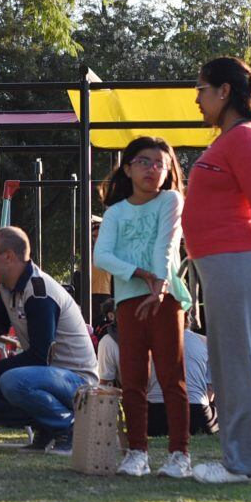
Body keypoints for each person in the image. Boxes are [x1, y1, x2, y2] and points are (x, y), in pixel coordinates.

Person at [181, 56, 251, 485]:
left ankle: (243, 465)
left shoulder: (244, 137)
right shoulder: (233, 137)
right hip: (225, 263)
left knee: (239, 366)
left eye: (202, 88)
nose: (197, 98)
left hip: (237, 261)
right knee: (233, 364)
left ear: (224, 91)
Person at [93, 136, 194, 478]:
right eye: (144, 162)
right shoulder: (115, 212)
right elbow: (101, 255)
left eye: (160, 164)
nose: (153, 169)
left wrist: (159, 283)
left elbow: (165, 246)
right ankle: (137, 452)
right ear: (127, 168)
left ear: (169, 172)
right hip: (129, 301)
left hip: (165, 299)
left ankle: (179, 454)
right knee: (132, 378)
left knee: (171, 377)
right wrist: (139, 275)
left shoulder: (171, 200)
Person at [0, 226, 99, 455]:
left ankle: (68, 428)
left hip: (77, 381)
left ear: (8, 257)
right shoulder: (7, 286)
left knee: (13, 380)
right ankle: (46, 426)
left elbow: (40, 357)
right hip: (43, 376)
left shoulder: (40, 293)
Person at [98, 326, 216, 436]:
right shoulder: (204, 341)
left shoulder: (148, 341)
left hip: (155, 417)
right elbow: (210, 393)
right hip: (197, 416)